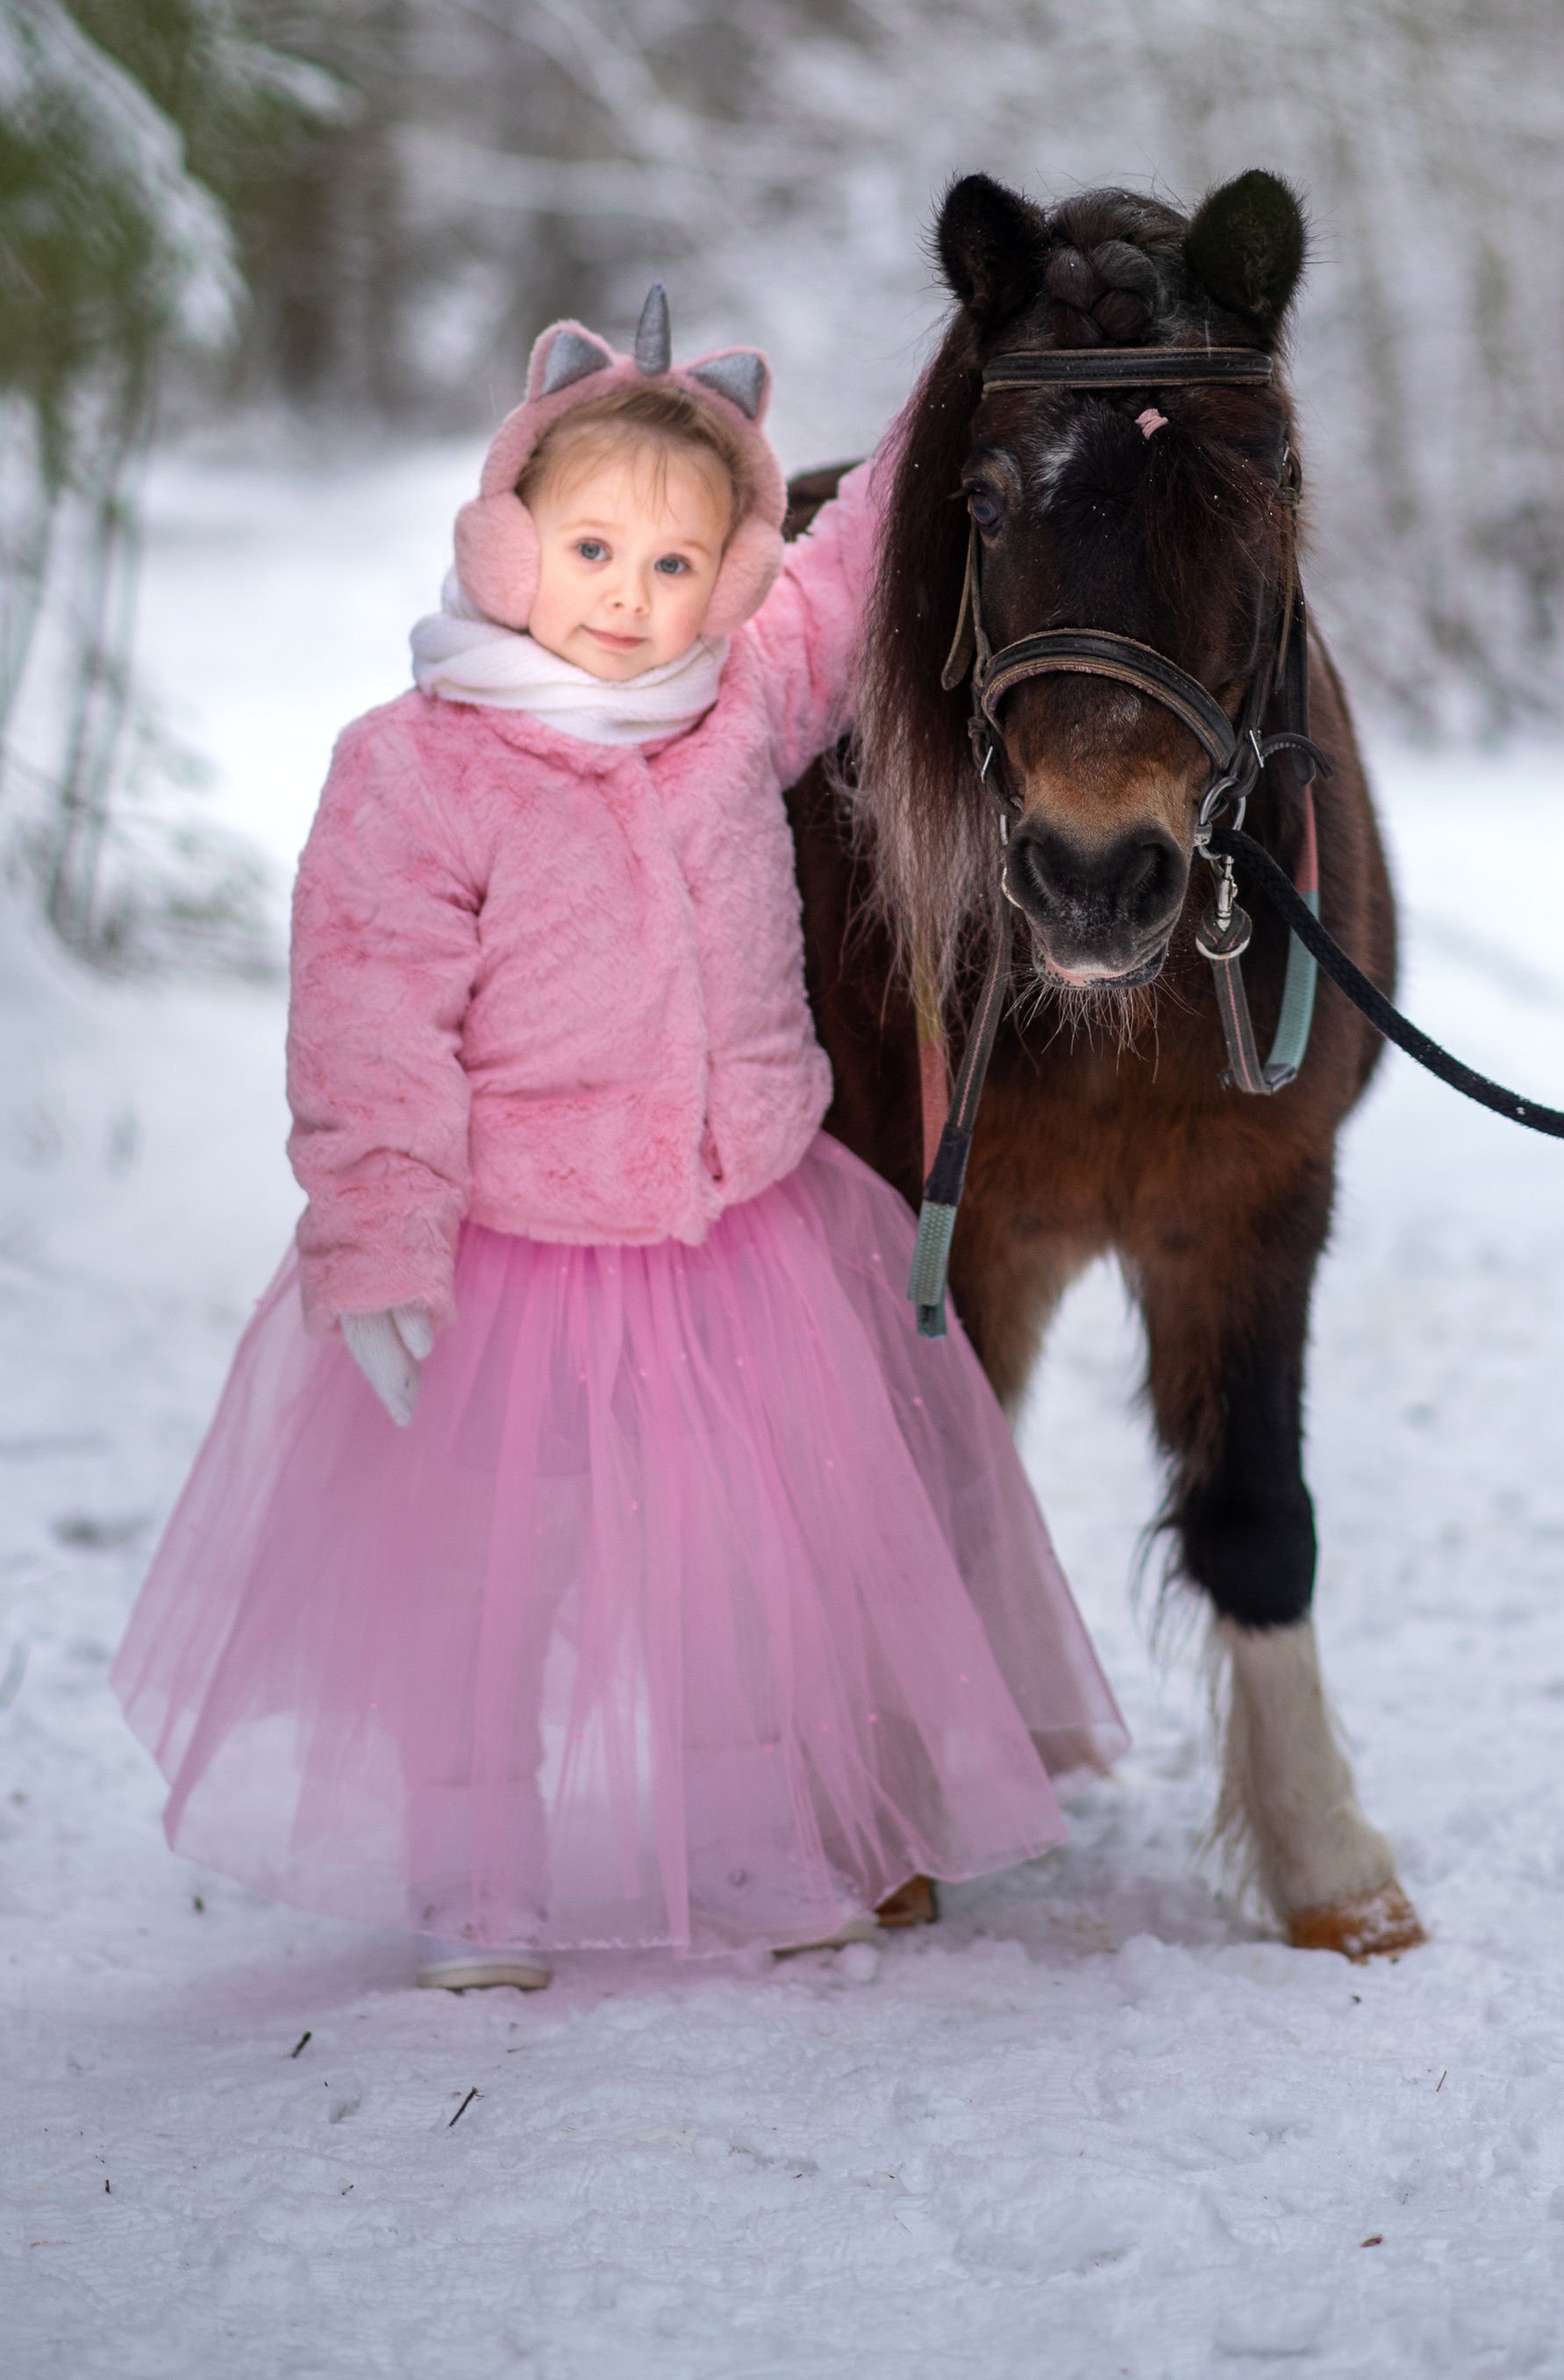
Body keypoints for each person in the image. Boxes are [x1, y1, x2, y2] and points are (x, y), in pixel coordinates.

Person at [114, 290, 1124, 1990]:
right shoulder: (419, 767)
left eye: (674, 567)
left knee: (749, 1583)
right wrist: (377, 1239)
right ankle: (478, 1876)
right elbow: (365, 1023)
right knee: (488, 1586)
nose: (628, 602)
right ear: (507, 541)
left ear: (725, 579)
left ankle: (749, 1839)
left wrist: (971, 365)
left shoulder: (736, 706)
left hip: (742, 1238)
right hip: (512, 1251)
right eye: (589, 551)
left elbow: (852, 558)